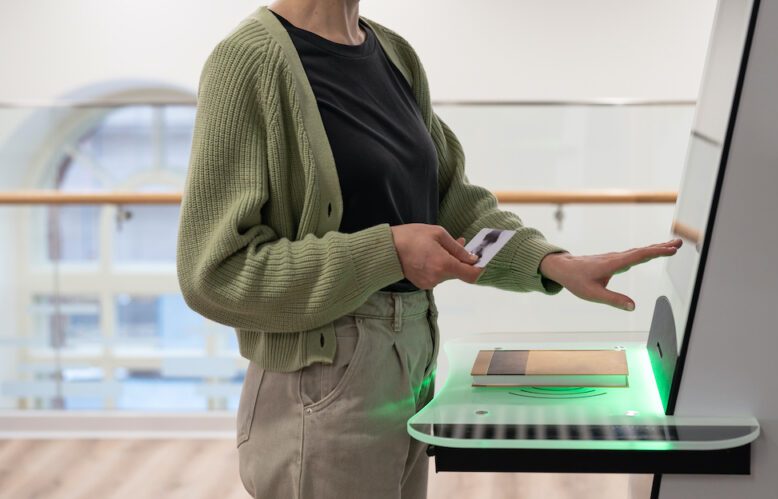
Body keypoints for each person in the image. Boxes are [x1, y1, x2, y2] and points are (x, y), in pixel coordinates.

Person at [175, 1, 682, 497]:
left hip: (412, 361)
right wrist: (387, 252)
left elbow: (456, 207)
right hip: (321, 380)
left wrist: (552, 263)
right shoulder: (246, 62)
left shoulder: (394, 54)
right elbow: (213, 272)